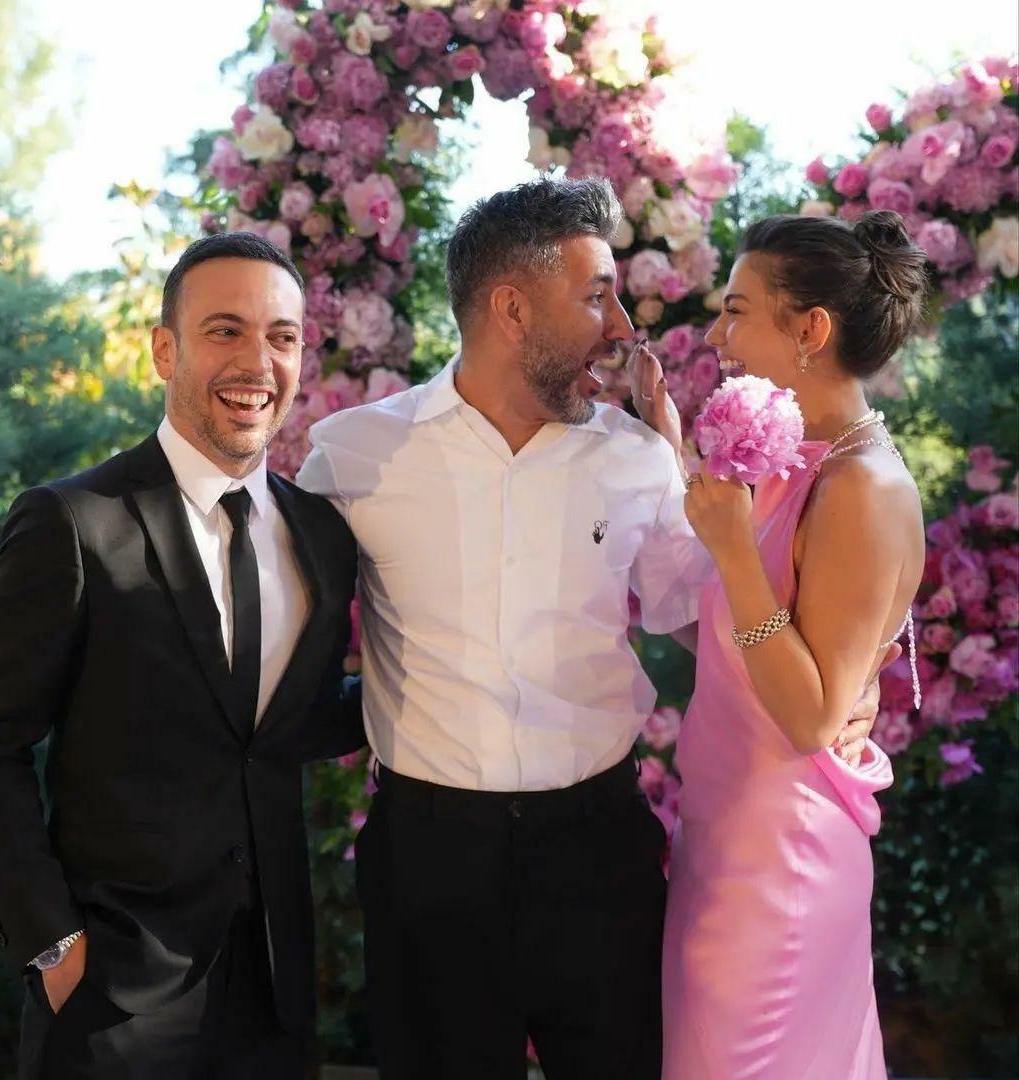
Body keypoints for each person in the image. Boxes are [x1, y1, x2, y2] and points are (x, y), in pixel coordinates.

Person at [297, 177, 881, 1079]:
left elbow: (704, 614)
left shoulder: (637, 456)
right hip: (428, 859)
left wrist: (852, 668)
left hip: (599, 851)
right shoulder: (352, 455)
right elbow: (279, 625)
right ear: (512, 309)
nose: (622, 326)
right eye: (597, 295)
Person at [0, 232, 364, 1079]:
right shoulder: (73, 523)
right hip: (111, 1001)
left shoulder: (322, 534)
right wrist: (52, 944)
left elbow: (288, 726)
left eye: (282, 337)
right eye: (225, 330)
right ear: (164, 351)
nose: (258, 362)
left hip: (275, 997)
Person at [662, 210, 928, 1078]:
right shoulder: (796, 463)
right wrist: (661, 437)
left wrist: (736, 555)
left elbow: (812, 717)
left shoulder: (864, 486)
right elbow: (741, 637)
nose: (717, 336)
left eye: (737, 311)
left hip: (782, 866)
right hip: (724, 840)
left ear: (810, 329)